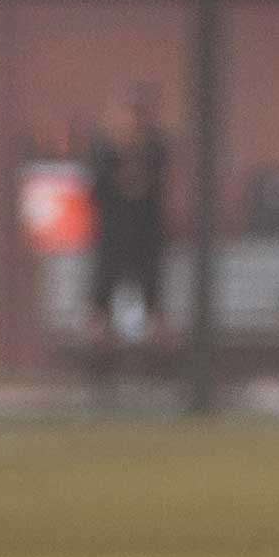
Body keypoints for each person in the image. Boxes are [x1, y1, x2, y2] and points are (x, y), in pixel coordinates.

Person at [85, 89, 173, 363]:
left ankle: (156, 364)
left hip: (146, 235)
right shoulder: (103, 149)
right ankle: (100, 364)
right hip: (111, 233)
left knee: (153, 302)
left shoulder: (156, 148)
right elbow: (97, 190)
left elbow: (155, 188)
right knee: (101, 301)